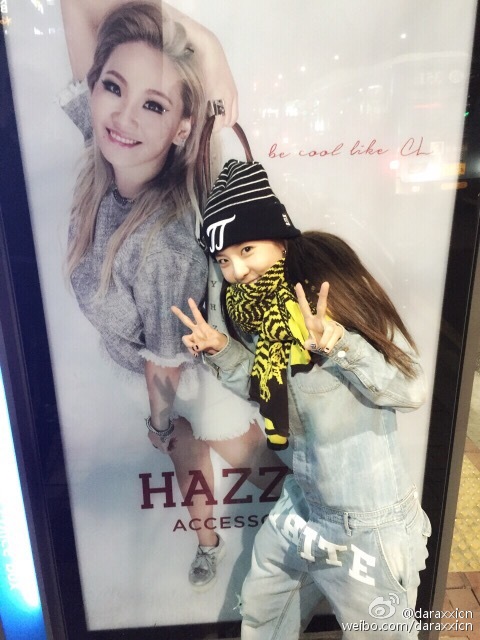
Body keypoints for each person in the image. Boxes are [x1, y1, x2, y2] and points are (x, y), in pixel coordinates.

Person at [60, 1, 287, 591]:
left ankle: (300, 522)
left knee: (233, 453)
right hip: (153, 363)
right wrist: (204, 38)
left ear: (182, 127)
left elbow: (166, 361)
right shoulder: (110, 150)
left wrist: (160, 424)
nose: (123, 116)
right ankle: (211, 542)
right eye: (113, 87)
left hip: (193, 372)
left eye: (154, 105)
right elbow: (76, 3)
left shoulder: (162, 243)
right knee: (192, 457)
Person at [172, 159, 431, 638]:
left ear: (278, 238)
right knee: (261, 614)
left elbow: (411, 389)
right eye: (223, 259)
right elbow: (270, 392)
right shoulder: (260, 312)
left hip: (364, 527)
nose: (236, 270)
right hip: (304, 505)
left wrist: (339, 343)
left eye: (246, 249)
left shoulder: (329, 294)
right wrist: (222, 349)